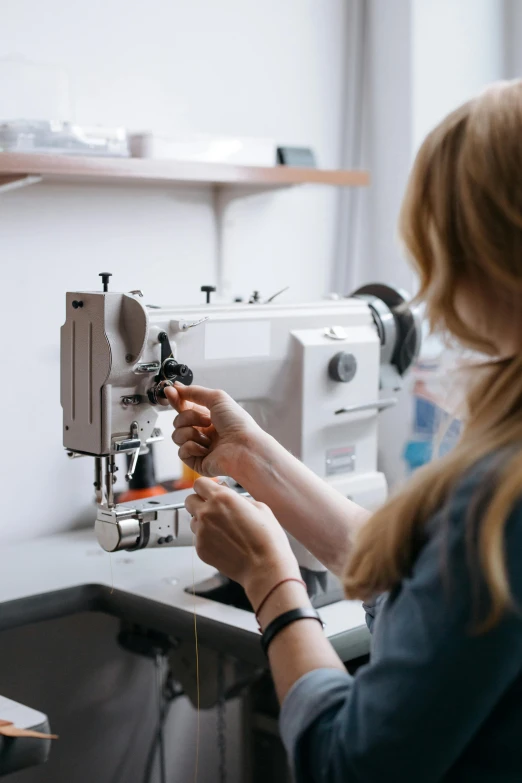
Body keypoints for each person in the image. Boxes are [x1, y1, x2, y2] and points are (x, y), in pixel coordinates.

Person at [164, 80, 522, 783]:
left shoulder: (497, 495)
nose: (431, 275)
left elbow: (346, 764)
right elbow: (421, 576)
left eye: (438, 245)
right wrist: (253, 455)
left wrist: (270, 577)